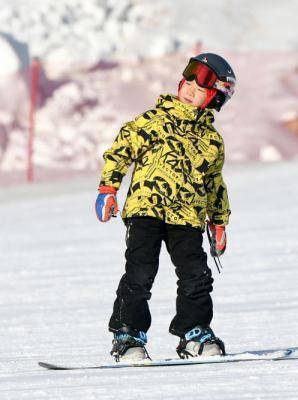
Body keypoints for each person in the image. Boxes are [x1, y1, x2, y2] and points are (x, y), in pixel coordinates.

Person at [95, 53, 236, 361]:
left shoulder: (212, 141)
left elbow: (214, 183)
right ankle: (128, 335)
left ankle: (194, 332)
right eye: (188, 82)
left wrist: (219, 221)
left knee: (196, 275)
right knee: (141, 272)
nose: (190, 89)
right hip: (145, 210)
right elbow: (120, 151)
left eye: (200, 89)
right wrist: (109, 188)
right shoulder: (152, 121)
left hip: (187, 217)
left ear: (214, 99)